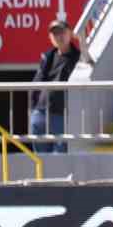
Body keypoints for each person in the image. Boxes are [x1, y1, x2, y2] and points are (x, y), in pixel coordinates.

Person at [28, 19, 92, 153]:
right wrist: (34, 110)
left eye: (62, 32)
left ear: (70, 33)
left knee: (60, 159)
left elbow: (88, 63)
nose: (59, 36)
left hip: (61, 115)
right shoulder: (48, 56)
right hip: (40, 114)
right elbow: (37, 82)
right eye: (55, 33)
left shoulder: (77, 56)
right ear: (50, 37)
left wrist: (82, 41)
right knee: (40, 160)